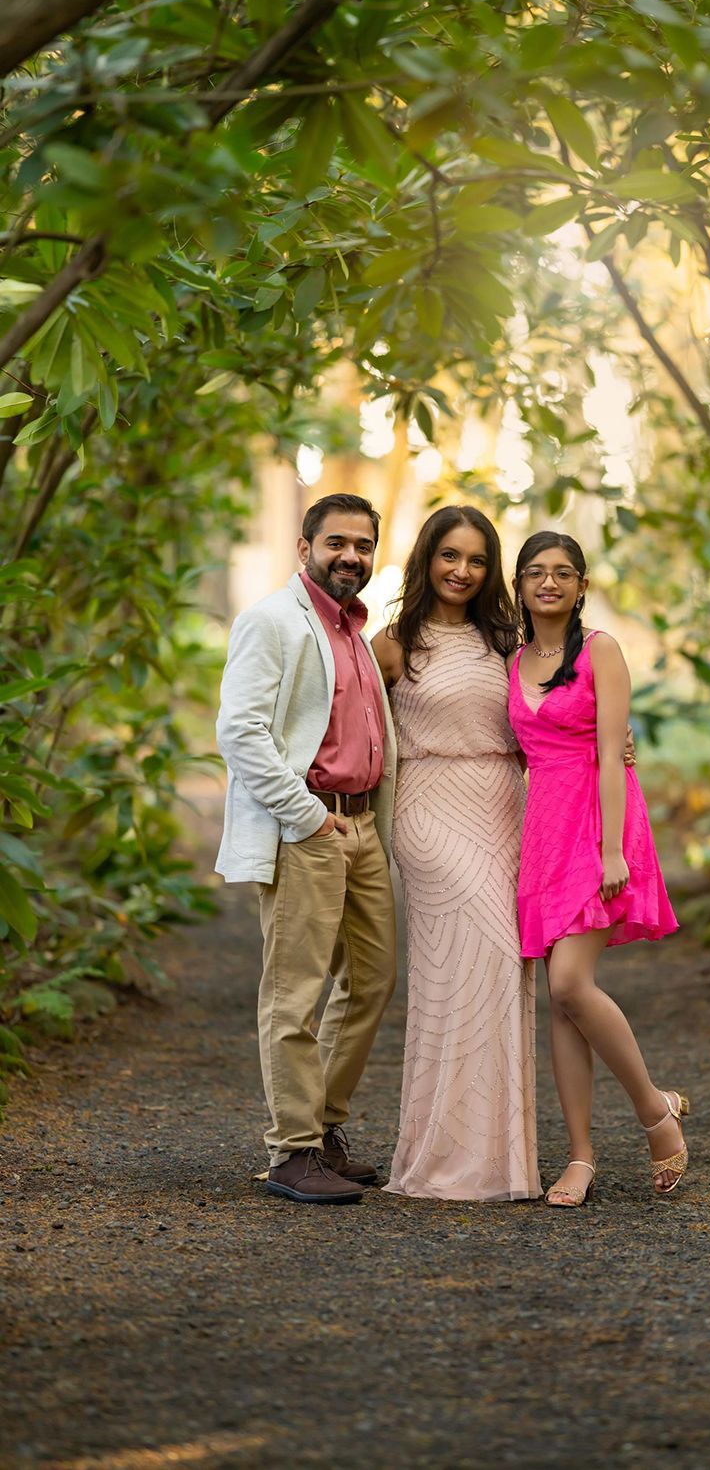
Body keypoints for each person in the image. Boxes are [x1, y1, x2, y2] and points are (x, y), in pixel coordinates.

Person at [215, 493, 397, 1205]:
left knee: (373, 981)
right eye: (337, 542)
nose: (351, 555)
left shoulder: (355, 631)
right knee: (295, 993)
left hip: (362, 827)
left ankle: (322, 1128)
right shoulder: (270, 621)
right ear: (305, 547)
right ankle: (292, 1150)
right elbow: (241, 732)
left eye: (363, 544)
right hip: (309, 827)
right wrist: (306, 818)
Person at [508, 531, 683, 1207]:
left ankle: (654, 1115)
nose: (548, 583)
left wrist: (612, 849)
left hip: (598, 823)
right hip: (544, 832)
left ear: (581, 586)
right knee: (558, 1001)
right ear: (519, 586)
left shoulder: (601, 650)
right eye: (535, 573)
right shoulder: (514, 659)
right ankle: (580, 1156)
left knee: (571, 984)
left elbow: (613, 753)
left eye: (563, 573)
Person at [371, 506, 541, 1201]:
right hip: (429, 807)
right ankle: (442, 1157)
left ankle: (496, 1161)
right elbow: (346, 721)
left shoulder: (508, 642)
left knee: (506, 970)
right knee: (472, 960)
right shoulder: (392, 643)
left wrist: (609, 743)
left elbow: (552, 714)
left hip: (502, 805)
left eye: (475, 559)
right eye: (449, 556)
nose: (461, 571)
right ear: (426, 559)